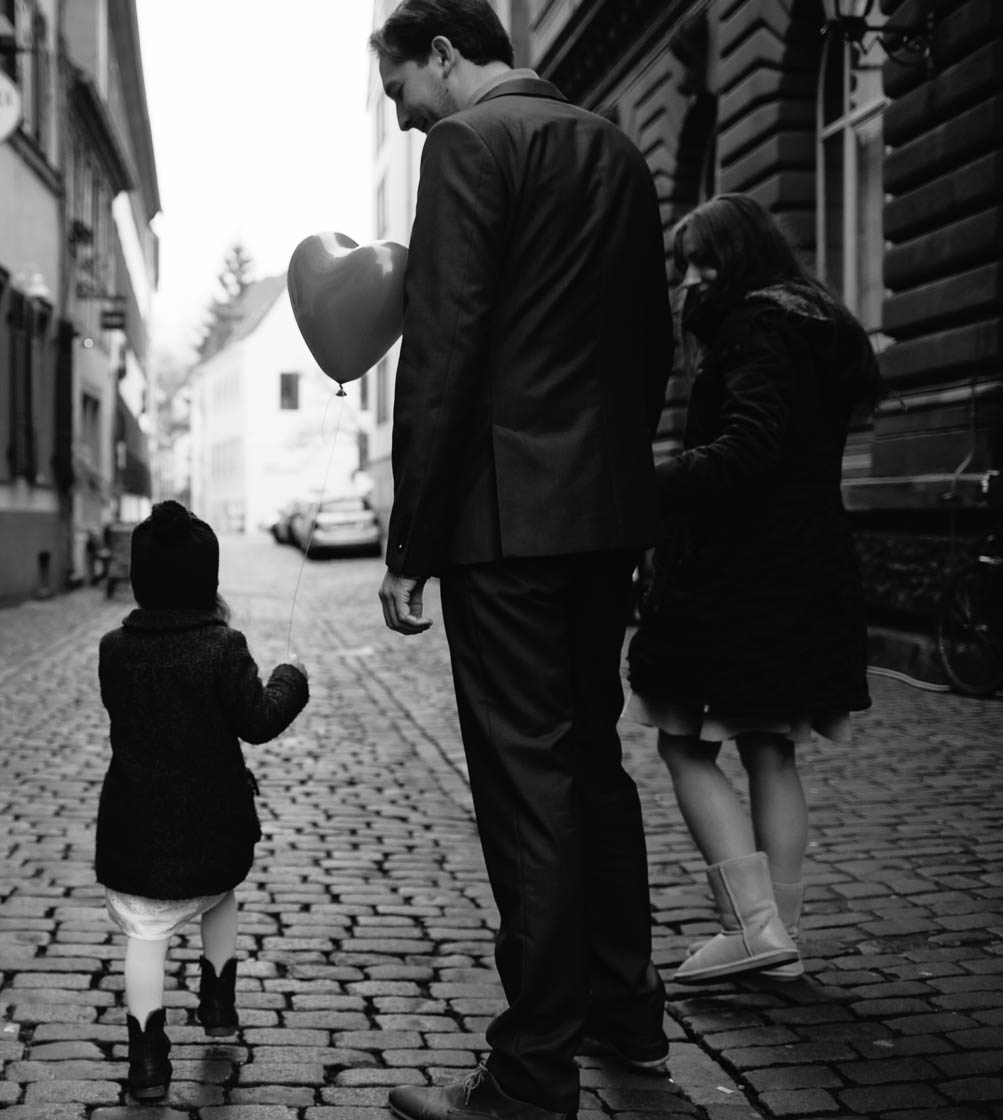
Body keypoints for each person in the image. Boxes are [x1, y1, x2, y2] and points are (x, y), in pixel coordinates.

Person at [369, 3, 675, 1118]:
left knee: (525, 780)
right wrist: (614, 475)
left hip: (504, 520)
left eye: (402, 92)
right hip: (604, 511)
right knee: (592, 758)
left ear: (444, 55)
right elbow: (653, 340)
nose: (406, 122)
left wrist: (413, 539)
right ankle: (626, 1017)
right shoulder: (614, 145)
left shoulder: (468, 145)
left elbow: (444, 345)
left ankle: (533, 1070)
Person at [626, 193, 879, 985]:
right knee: (770, 747)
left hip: (742, 578)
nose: (687, 282)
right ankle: (780, 938)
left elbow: (749, 450)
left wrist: (643, 485)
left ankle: (754, 924)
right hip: (804, 569)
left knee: (681, 738)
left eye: (699, 262)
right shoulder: (818, 324)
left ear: (736, 256)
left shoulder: (755, 329)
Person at [94, 500, 310, 1102]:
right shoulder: (222, 644)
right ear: (207, 582)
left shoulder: (115, 647)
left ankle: (146, 1060)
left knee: (146, 931)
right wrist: (292, 678)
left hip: (137, 823)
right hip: (212, 823)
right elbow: (259, 720)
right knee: (219, 892)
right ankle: (217, 1007)